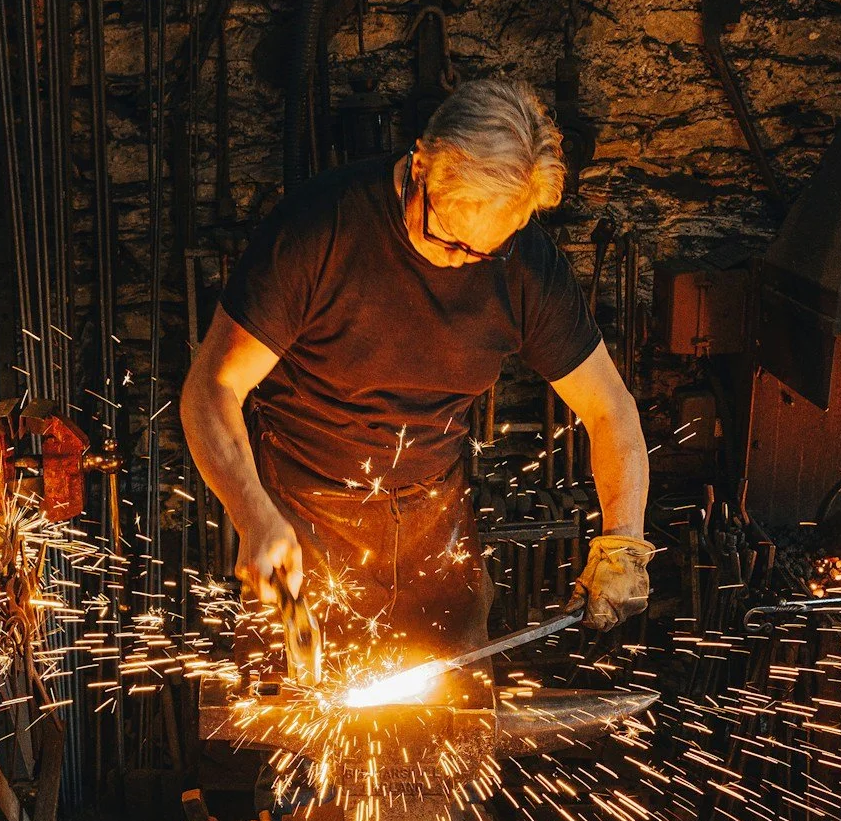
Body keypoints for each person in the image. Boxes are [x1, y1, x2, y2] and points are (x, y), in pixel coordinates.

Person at [180, 75, 650, 663]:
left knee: (455, 722)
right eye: (449, 240)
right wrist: (254, 516)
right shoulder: (316, 230)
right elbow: (213, 386)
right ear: (420, 166)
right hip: (303, 516)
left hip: (437, 522)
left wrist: (623, 543)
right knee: (300, 726)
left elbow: (609, 408)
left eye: (483, 252)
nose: (460, 265)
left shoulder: (526, 266)